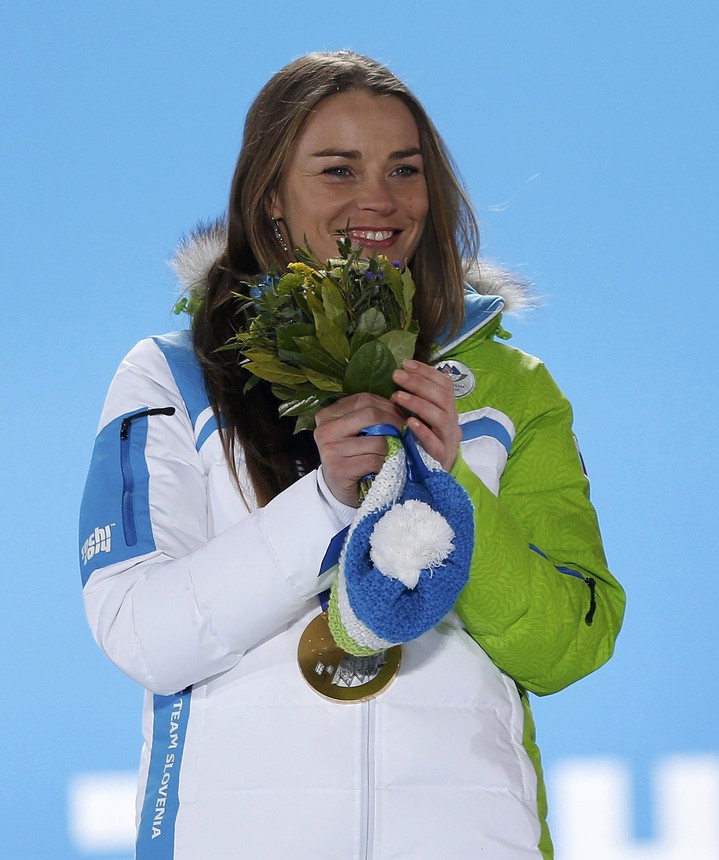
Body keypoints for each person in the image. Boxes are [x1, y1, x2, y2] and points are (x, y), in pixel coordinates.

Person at [78, 51, 624, 859]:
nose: (379, 198)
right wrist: (327, 504)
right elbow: (142, 635)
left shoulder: (509, 386)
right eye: (338, 169)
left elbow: (568, 647)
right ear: (270, 197)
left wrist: (449, 485)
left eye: (405, 169)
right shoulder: (174, 376)